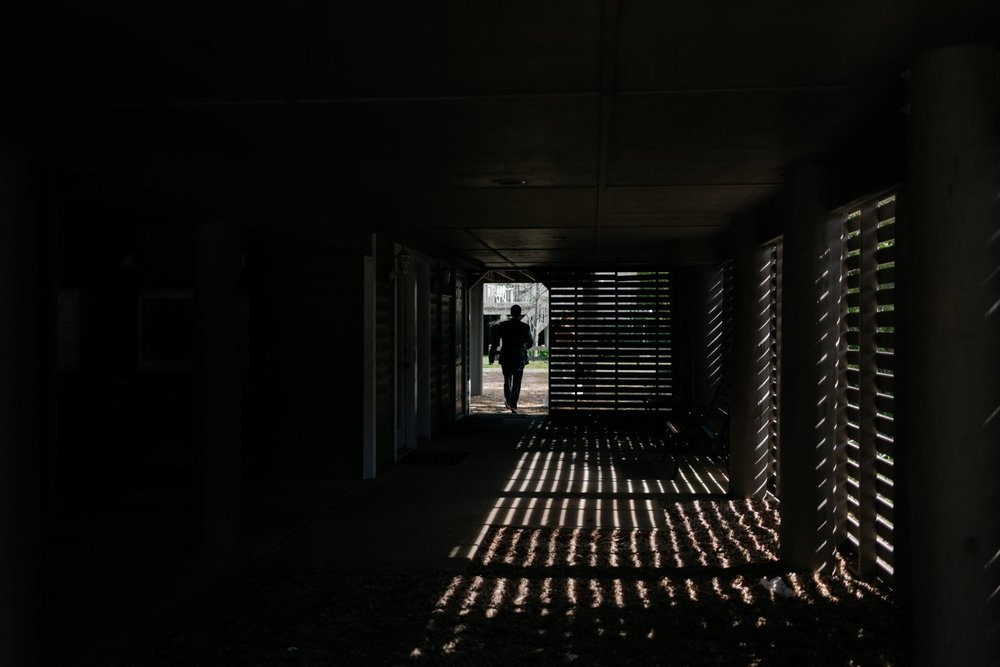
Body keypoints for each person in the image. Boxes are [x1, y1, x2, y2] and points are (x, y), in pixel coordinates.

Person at [488, 304, 534, 413]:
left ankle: (508, 401)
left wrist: (491, 357)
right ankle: (514, 404)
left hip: (506, 356)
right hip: (519, 357)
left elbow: (495, 342)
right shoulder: (525, 327)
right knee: (517, 382)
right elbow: (530, 343)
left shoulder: (502, 325)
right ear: (520, 313)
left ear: (511, 312)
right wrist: (523, 348)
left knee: (507, 379)